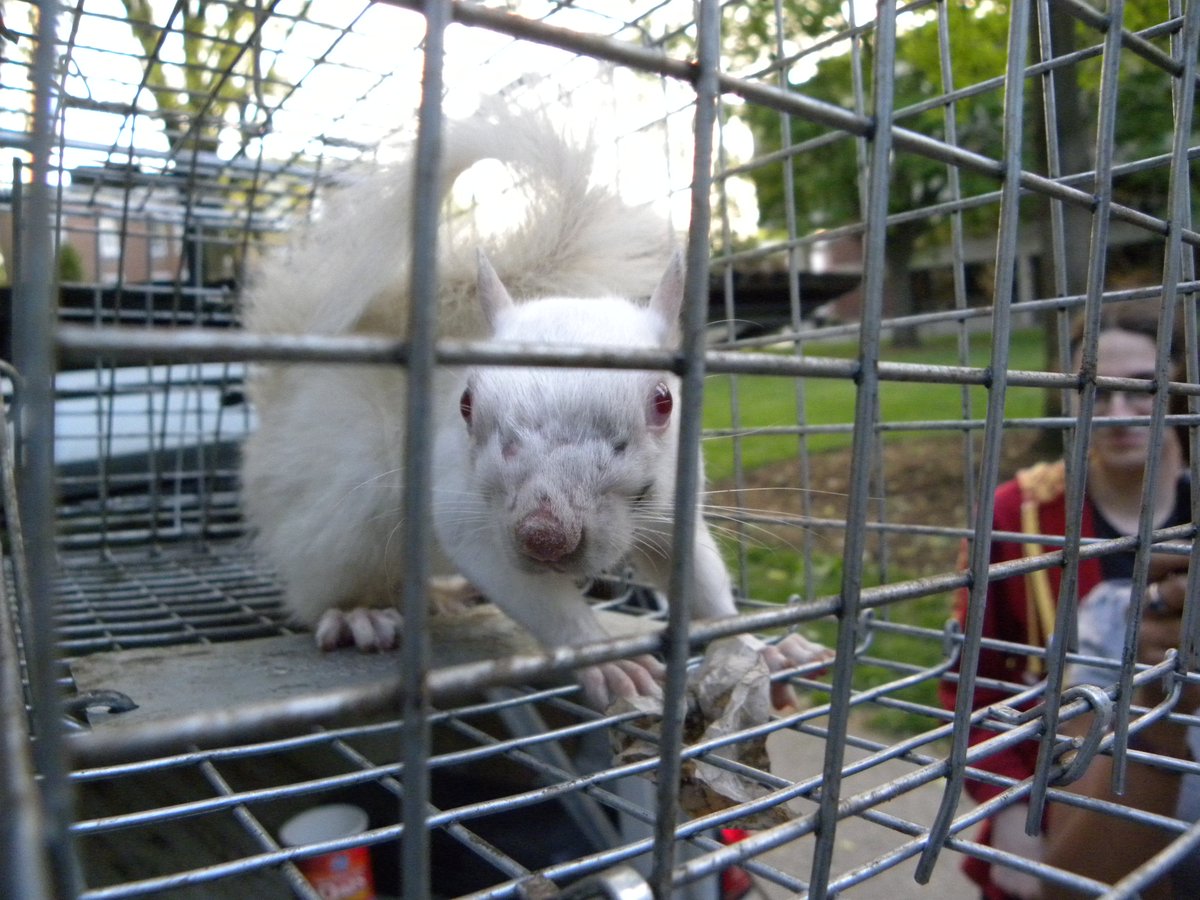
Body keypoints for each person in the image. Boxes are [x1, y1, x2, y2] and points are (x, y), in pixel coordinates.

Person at [939, 299, 1194, 898]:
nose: (1120, 413)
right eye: (1097, 393)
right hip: (1063, 812)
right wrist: (1009, 806)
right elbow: (967, 685)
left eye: (1142, 390)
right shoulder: (1018, 514)